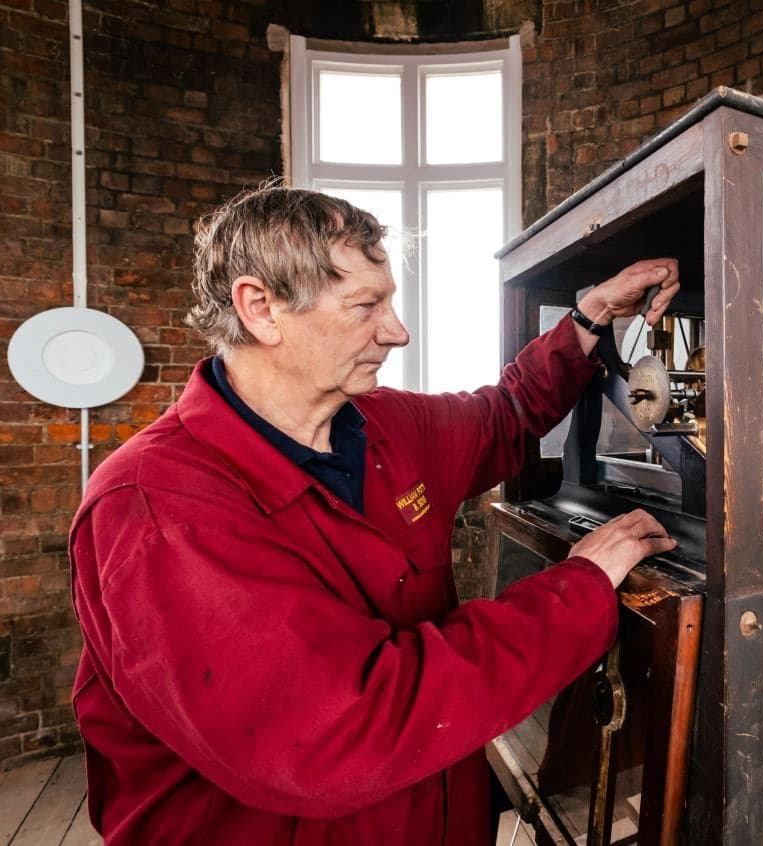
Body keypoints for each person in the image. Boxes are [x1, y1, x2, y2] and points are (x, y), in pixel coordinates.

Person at [68, 185, 681, 844]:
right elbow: (341, 734)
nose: (397, 331)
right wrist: (576, 589)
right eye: (365, 306)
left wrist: (590, 316)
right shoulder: (157, 506)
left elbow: (508, 413)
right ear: (260, 308)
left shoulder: (387, 424)